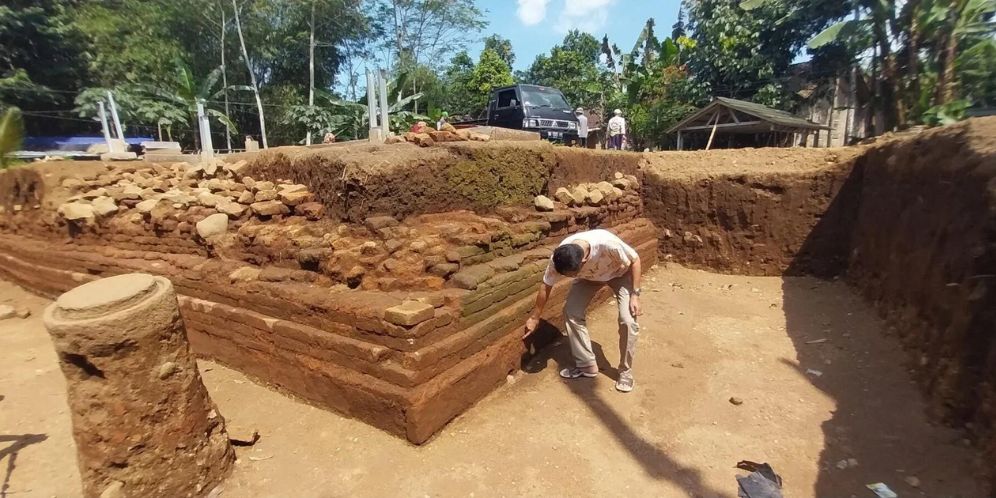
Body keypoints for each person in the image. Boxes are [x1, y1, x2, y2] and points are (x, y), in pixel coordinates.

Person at [523, 229, 643, 392]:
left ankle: (625, 372)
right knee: (571, 312)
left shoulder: (608, 245)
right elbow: (546, 286)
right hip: (590, 278)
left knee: (628, 320)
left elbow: (635, 260)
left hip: (619, 274)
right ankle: (586, 366)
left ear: (585, 259)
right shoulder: (560, 256)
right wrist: (535, 317)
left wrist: (635, 295)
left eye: (573, 274)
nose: (569, 277)